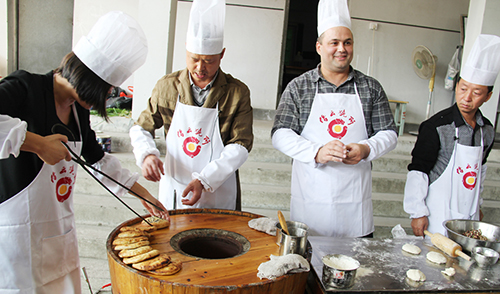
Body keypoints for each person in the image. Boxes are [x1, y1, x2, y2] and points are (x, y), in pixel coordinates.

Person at [0, 11, 168, 294]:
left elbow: (98, 160)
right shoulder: (25, 88)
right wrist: (35, 143)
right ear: (91, 78)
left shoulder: (77, 111)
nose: (107, 98)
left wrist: (144, 195)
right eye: (107, 90)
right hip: (16, 246)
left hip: (56, 243)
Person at [272, 0, 397, 239]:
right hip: (311, 200)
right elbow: (280, 134)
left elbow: (389, 133)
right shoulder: (300, 87)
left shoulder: (370, 88)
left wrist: (366, 148)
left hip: (355, 204)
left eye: (347, 42)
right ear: (319, 47)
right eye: (334, 43)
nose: (342, 49)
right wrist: (316, 151)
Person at [130, 0, 253, 211]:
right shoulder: (167, 86)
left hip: (218, 187)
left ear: (222, 54)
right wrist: (147, 154)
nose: (200, 68)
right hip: (175, 187)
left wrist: (204, 180)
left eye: (209, 61)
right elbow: (141, 127)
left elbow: (241, 145)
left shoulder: (237, 92)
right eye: (194, 59)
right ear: (186, 49)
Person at [404, 34, 500, 238]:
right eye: (463, 88)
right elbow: (418, 170)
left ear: (488, 96)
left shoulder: (487, 131)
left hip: (468, 214)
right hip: (437, 213)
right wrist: (417, 212)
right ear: (456, 86)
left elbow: (479, 172)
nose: (467, 98)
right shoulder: (435, 127)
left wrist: (478, 205)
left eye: (477, 92)